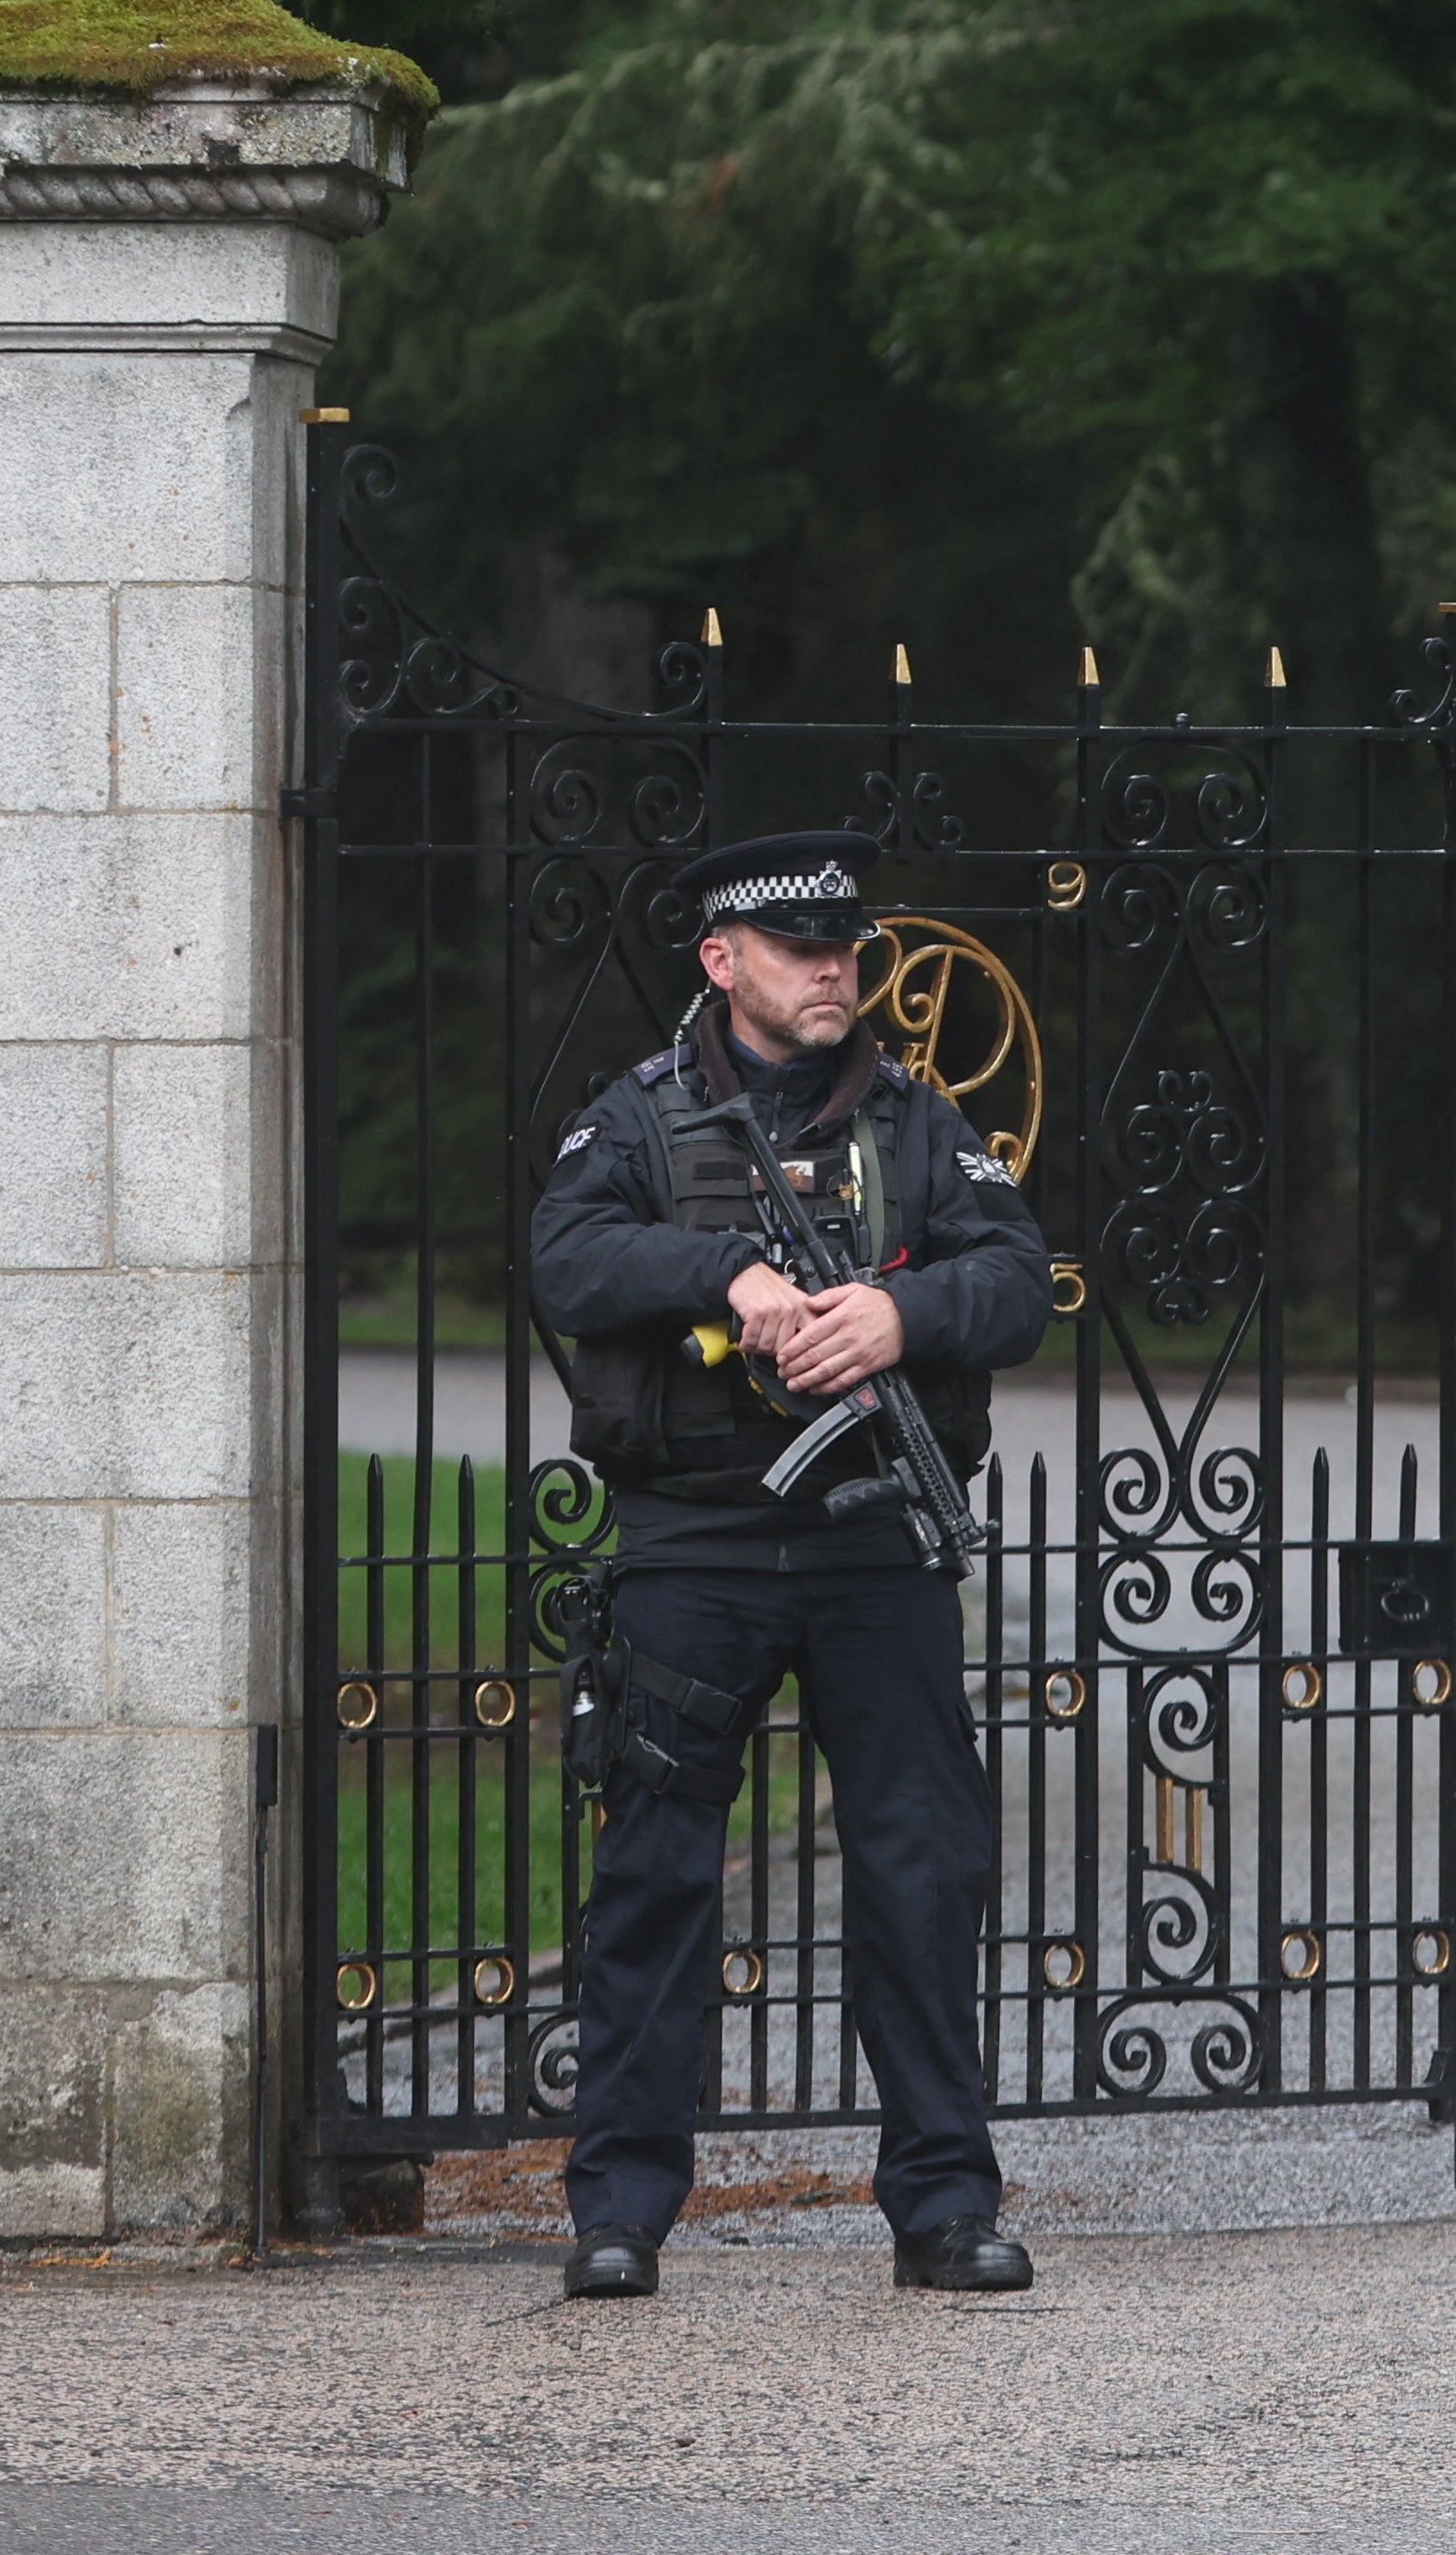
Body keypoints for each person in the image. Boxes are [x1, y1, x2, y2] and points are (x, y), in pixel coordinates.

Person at [529, 828, 1054, 2300]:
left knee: (918, 1868)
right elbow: (564, 1261)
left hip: (875, 1542)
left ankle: (944, 2206)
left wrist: (901, 1320)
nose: (834, 972)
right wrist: (726, 1274)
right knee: (655, 1871)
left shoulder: (913, 1120)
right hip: (694, 1544)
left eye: (846, 950)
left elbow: (1018, 1279)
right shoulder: (638, 1119)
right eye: (800, 950)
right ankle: (620, 2210)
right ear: (723, 962)